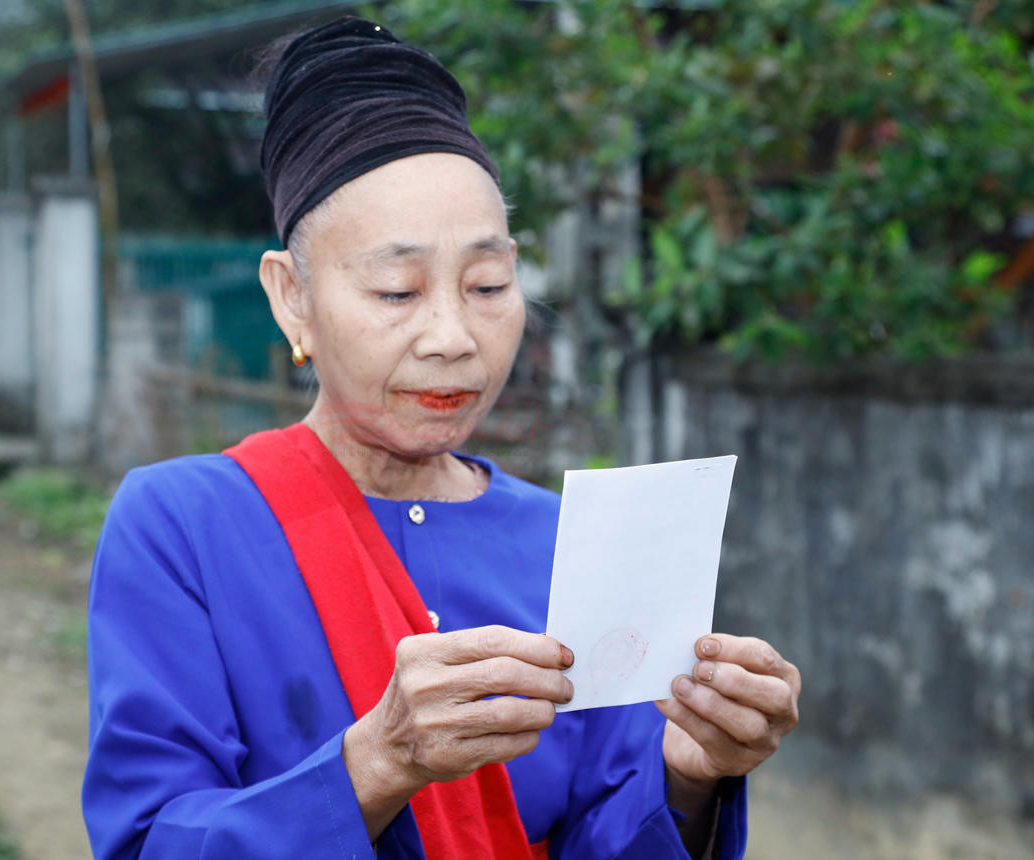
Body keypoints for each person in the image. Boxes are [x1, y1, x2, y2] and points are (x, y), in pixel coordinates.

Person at [81, 16, 801, 860]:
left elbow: (605, 838)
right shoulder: (182, 526)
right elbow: (147, 843)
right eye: (396, 291)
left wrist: (688, 777)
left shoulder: (563, 541)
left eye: (488, 283)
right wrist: (376, 762)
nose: (453, 336)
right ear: (291, 298)